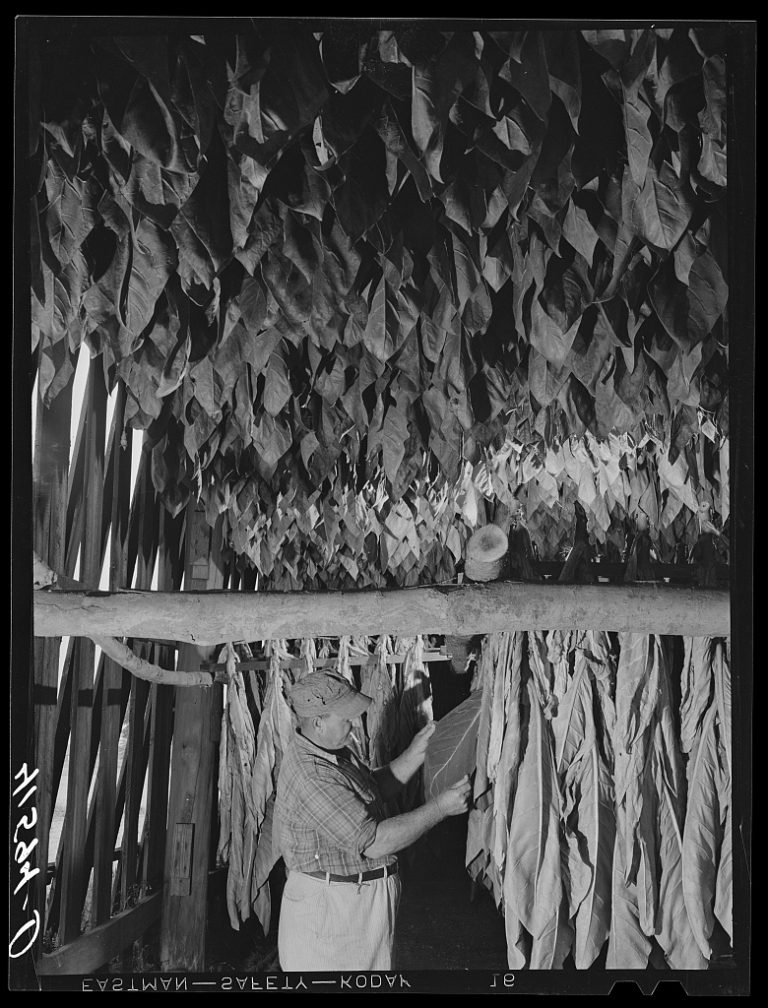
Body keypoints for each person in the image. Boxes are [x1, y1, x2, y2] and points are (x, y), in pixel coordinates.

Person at [274, 669, 472, 972]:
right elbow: (375, 842)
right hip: (333, 913)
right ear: (318, 722)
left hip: (354, 905)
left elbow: (370, 791)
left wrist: (414, 754)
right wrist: (440, 809)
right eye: (345, 718)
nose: (353, 724)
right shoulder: (310, 774)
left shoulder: (331, 750)